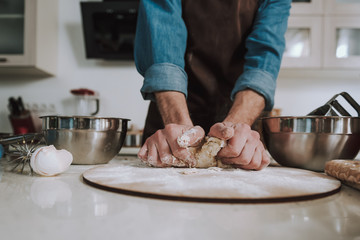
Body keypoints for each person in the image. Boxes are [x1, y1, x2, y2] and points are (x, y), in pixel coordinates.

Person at [134, 0, 291, 170]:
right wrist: (181, 131)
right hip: (172, 118)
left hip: (242, 118)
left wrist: (232, 132)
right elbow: (163, 47)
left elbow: (263, 63)